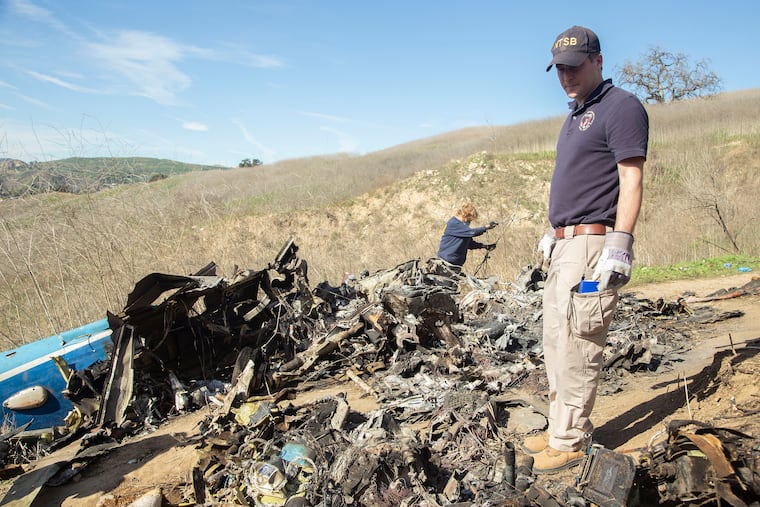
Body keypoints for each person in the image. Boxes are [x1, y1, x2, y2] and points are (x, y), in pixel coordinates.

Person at [524, 25, 649, 474]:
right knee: (557, 342)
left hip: (595, 245)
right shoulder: (576, 114)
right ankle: (560, 427)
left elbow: (630, 178)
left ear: (597, 61)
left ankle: (570, 440)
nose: (566, 76)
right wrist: (552, 229)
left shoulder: (621, 107)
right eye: (559, 69)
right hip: (564, 245)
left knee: (580, 342)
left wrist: (621, 243)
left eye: (574, 67)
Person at [436, 203, 498, 269]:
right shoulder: (453, 223)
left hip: (456, 265)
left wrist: (484, 246)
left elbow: (470, 244)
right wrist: (486, 227)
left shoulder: (463, 229)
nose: (469, 222)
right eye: (469, 220)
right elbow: (472, 232)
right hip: (445, 263)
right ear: (464, 215)